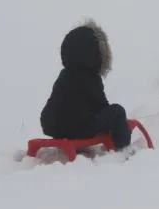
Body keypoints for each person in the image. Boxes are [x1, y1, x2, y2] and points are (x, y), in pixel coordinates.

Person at [40, 19, 131, 150]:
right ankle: (123, 146)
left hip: (53, 126)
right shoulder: (91, 78)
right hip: (79, 128)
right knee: (117, 111)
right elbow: (101, 106)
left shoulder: (64, 75)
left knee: (79, 114)